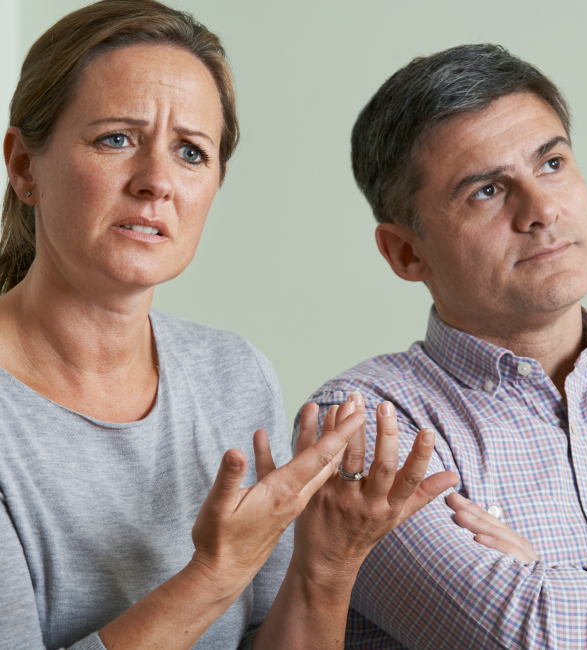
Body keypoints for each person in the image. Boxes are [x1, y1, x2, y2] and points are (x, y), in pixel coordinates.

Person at [0, 1, 460, 649]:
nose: (156, 181)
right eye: (116, 139)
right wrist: (217, 572)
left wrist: (326, 566)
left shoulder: (234, 374)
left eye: (191, 152)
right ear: (23, 166)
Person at [297, 43, 587, 649]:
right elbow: (530, 638)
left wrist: (549, 579)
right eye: (486, 190)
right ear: (406, 252)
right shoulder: (366, 427)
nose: (541, 209)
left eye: (552, 163)